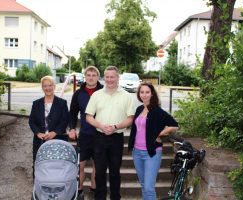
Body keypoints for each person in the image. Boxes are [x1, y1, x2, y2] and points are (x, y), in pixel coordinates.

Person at [85, 66, 135, 200]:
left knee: (114, 172)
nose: (109, 79)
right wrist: (100, 125)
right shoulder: (97, 95)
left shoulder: (126, 96)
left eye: (112, 77)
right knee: (99, 172)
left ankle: (115, 197)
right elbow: (88, 116)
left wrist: (115, 127)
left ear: (118, 77)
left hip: (116, 138)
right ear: (104, 78)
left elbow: (130, 118)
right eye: (107, 77)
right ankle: (100, 197)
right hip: (99, 138)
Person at [128, 82, 179, 200]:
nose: (144, 95)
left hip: (152, 153)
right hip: (137, 152)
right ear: (139, 94)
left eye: (147, 92)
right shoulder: (139, 109)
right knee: (143, 185)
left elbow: (174, 125)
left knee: (149, 188)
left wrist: (160, 134)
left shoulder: (157, 111)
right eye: (142, 92)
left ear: (152, 94)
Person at [68, 66, 103, 198]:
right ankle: (80, 190)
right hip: (85, 135)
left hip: (100, 134)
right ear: (85, 77)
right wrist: (72, 128)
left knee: (97, 165)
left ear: (98, 77)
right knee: (80, 165)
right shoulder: (78, 93)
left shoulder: (104, 91)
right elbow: (72, 113)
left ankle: (94, 189)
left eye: (94, 75)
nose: (91, 77)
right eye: (88, 75)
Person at [29, 75, 70, 178]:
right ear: (42, 87)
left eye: (50, 85)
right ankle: (38, 189)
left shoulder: (62, 103)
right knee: (39, 164)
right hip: (40, 140)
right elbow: (31, 121)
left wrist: (55, 132)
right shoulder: (36, 104)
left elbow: (65, 120)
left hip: (58, 139)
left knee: (56, 165)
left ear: (54, 86)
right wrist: (38, 133)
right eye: (45, 86)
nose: (48, 88)